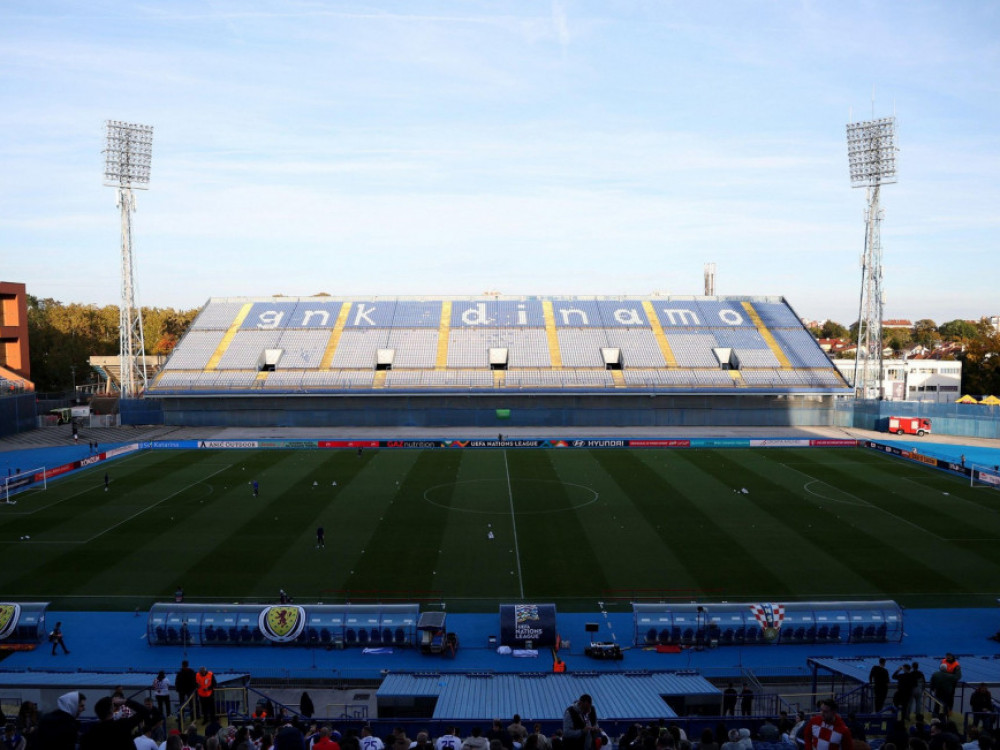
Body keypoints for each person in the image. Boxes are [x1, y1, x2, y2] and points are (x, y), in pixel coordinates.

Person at [79, 694, 148, 749]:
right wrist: (125, 701)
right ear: (111, 709)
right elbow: (145, 711)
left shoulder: (90, 733)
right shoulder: (122, 725)